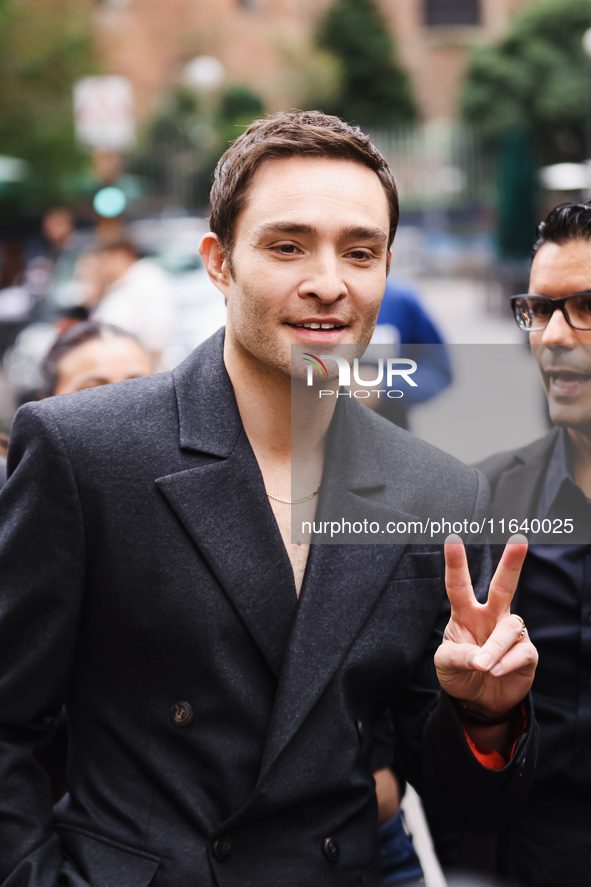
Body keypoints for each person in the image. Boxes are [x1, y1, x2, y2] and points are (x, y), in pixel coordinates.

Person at [0, 111, 537, 887]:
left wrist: (485, 717)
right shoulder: (87, 450)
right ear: (219, 262)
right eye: (287, 245)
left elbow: (467, 803)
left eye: (360, 252)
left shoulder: (440, 490)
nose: (327, 281)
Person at [477, 200, 591, 887]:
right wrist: (476, 715)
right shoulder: (482, 500)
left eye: (584, 306)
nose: (553, 336)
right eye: (538, 309)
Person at [85, 237, 176, 367]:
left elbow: (157, 337)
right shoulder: (118, 285)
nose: (101, 267)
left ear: (120, 256)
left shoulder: (149, 280)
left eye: (103, 260)